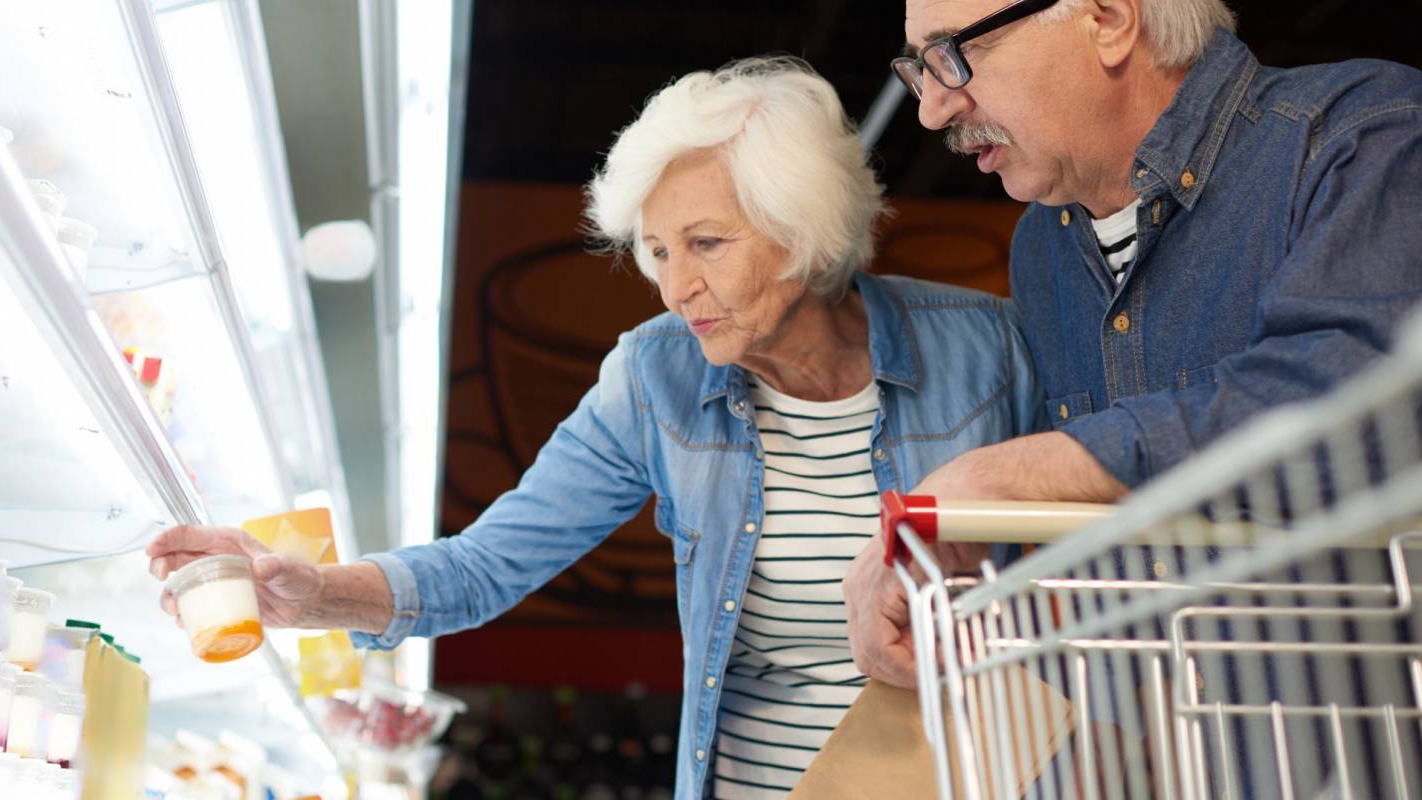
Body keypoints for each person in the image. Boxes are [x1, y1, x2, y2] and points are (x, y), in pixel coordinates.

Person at [147, 58, 1042, 800]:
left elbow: (1096, 553)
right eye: (655, 251)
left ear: (802, 230)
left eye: (706, 244)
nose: (672, 287)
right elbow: (489, 562)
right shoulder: (656, 374)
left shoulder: (989, 348)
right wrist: (312, 595)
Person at [845, 0, 1422, 710]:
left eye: (953, 53)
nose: (932, 110)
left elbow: (1360, 402)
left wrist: (1017, 475)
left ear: (1108, 19)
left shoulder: (1362, 136)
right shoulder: (1043, 248)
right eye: (919, 70)